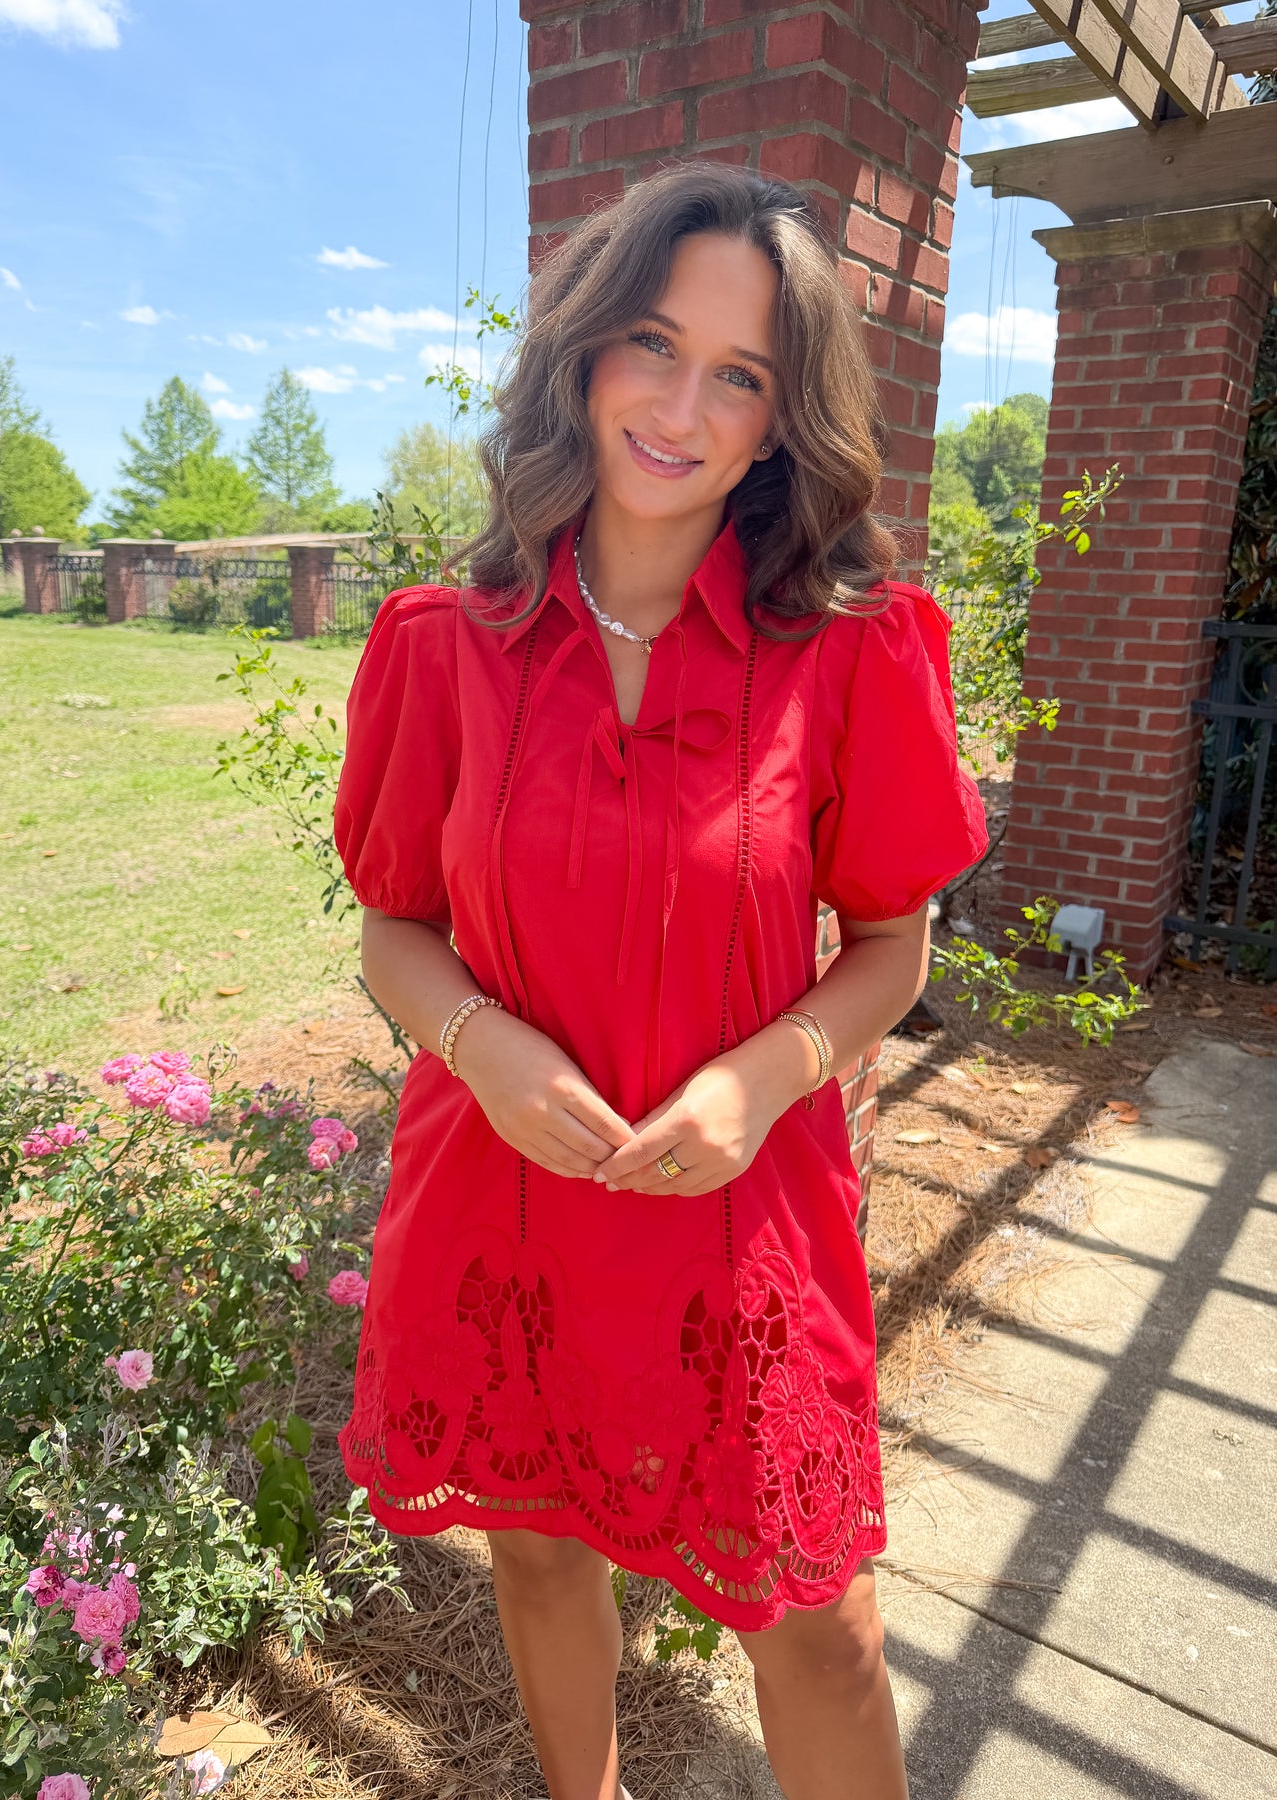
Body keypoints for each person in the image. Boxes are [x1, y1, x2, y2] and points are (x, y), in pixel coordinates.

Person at [333, 162, 987, 1800]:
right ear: (583, 353)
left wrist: (760, 1080)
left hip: (738, 1212)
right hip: (502, 1198)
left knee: (820, 1629)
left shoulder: (852, 649)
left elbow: (891, 943)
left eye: (740, 374)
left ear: (780, 424)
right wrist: (480, 1049)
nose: (681, 409)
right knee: (539, 1548)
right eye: (651, 343)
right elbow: (392, 927)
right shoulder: (440, 643)